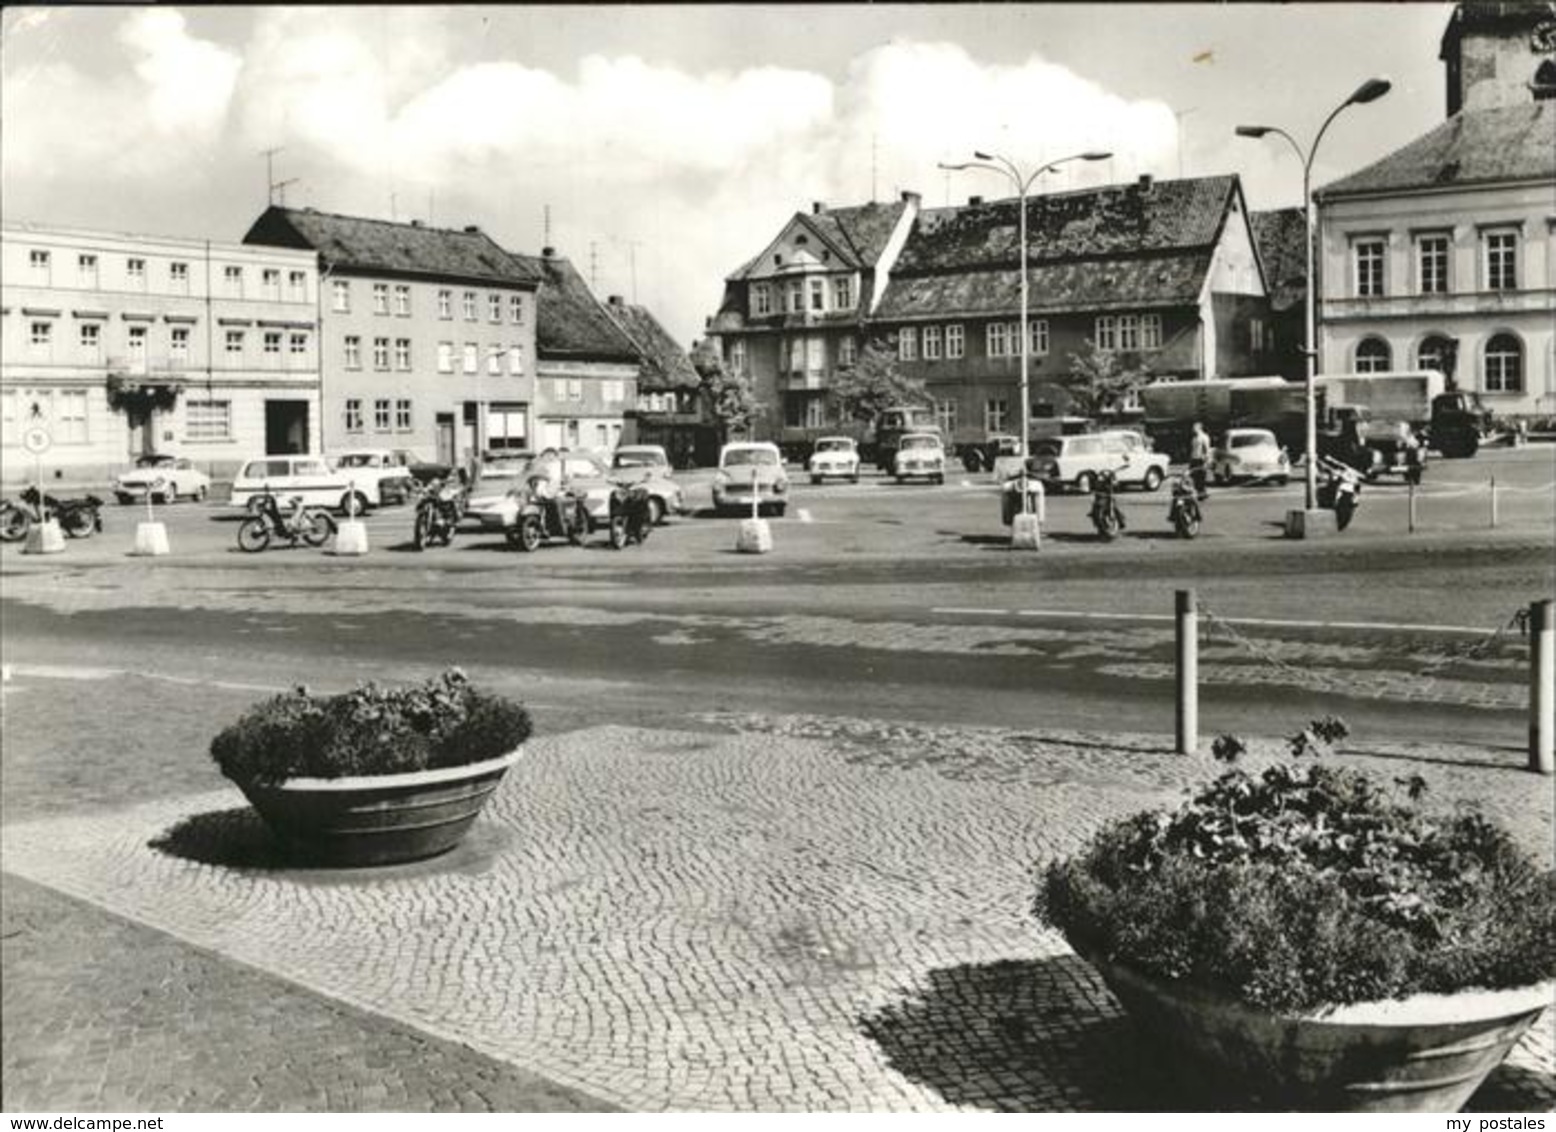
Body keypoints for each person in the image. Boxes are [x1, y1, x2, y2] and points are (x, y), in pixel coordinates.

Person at [1188, 422, 1211, 500]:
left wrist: (1206, 461)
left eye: (1194, 428)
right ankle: (1201, 493)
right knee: (1194, 478)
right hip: (1194, 459)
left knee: (1201, 478)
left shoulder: (1204, 437)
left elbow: (1206, 450)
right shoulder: (1194, 438)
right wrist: (1190, 460)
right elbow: (1192, 450)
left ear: (1199, 428)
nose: (1193, 429)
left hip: (1201, 459)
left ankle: (1202, 494)